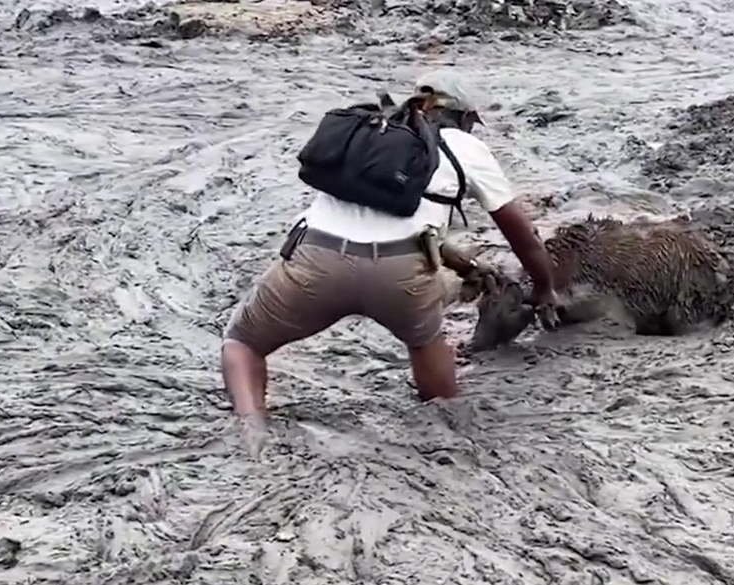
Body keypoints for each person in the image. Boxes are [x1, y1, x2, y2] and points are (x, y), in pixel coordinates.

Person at [220, 69, 558, 430]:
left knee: (242, 343)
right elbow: (523, 236)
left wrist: (461, 262)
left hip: (314, 263)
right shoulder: (466, 148)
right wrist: (543, 288)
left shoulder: (370, 132)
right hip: (400, 277)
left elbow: (367, 215)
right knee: (427, 346)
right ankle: (446, 429)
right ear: (466, 117)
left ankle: (251, 430)